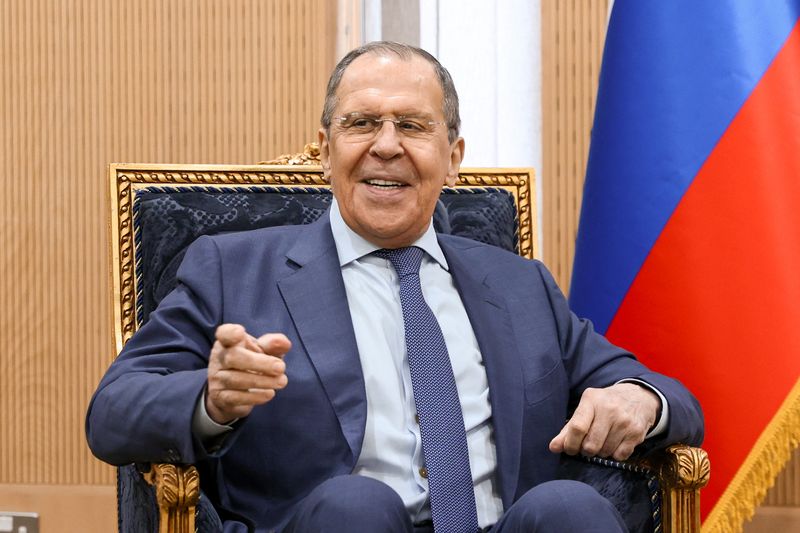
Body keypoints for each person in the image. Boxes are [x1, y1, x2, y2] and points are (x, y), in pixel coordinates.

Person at [86, 41, 703, 533]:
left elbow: (671, 397)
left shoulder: (520, 283)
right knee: (357, 506)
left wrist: (640, 401)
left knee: (569, 508)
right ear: (326, 151)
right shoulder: (231, 269)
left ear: (453, 157)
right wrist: (212, 400)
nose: (386, 146)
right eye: (361, 123)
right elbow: (112, 412)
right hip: (337, 526)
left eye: (412, 125)